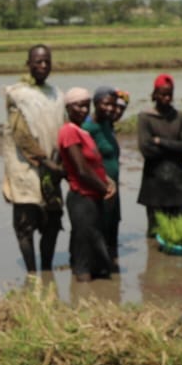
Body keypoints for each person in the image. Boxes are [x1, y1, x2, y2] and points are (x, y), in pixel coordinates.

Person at [2, 45, 63, 273]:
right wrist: (45, 161)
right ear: (28, 64)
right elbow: (21, 135)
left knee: (52, 223)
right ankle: (32, 273)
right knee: (25, 225)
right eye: (38, 61)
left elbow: (63, 127)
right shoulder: (17, 94)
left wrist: (58, 165)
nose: (43, 66)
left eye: (47, 61)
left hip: (53, 169)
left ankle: (46, 271)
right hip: (25, 168)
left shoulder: (56, 94)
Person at [59, 88, 118, 281]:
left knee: (97, 258)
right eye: (78, 106)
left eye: (86, 106)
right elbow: (81, 169)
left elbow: (95, 164)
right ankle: (82, 297)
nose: (84, 110)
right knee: (85, 256)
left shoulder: (82, 131)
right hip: (82, 198)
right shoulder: (68, 131)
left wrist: (107, 180)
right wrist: (105, 188)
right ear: (68, 107)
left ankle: (92, 296)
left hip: (93, 198)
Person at [137, 73, 182, 236]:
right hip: (154, 184)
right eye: (163, 94)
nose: (167, 98)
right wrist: (175, 148)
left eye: (170, 94)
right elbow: (146, 150)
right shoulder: (145, 118)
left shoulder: (180, 117)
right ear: (155, 94)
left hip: (179, 183)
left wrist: (160, 141)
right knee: (156, 232)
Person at [84, 86, 124, 266]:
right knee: (99, 227)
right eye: (105, 104)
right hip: (99, 188)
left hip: (114, 187)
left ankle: (111, 266)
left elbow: (123, 104)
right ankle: (99, 266)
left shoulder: (107, 123)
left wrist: (121, 99)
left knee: (112, 226)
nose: (110, 108)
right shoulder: (88, 127)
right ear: (95, 103)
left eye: (113, 105)